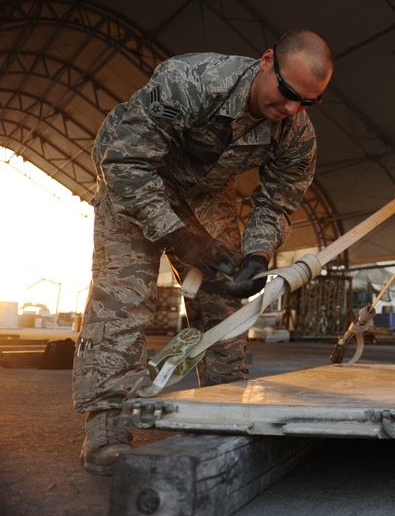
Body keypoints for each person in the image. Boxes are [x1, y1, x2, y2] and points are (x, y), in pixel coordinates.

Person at [72, 30, 333, 475]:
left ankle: (224, 408)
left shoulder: (296, 132)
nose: (291, 109)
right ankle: (107, 425)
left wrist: (258, 253)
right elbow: (124, 161)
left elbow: (278, 198)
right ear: (266, 60)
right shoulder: (190, 80)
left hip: (205, 190)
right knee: (124, 298)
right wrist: (179, 238)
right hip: (135, 176)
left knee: (225, 298)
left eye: (307, 101)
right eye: (287, 92)